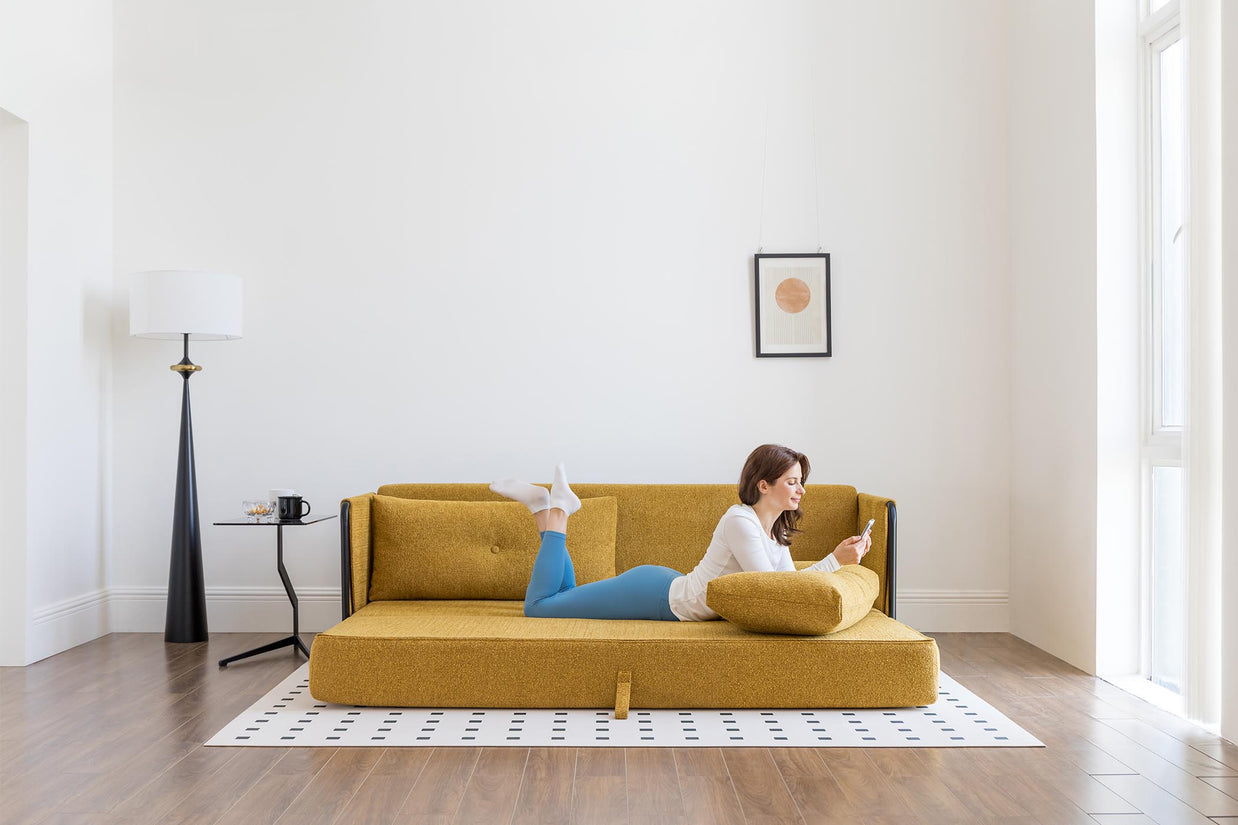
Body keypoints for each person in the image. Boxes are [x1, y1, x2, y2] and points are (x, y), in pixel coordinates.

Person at [491, 444, 872, 622]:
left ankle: (547, 510)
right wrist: (834, 562)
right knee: (539, 609)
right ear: (763, 485)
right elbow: (770, 588)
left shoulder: (772, 531)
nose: (801, 490)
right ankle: (553, 512)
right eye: (792, 481)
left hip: (668, 589)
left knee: (564, 598)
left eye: (800, 482)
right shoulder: (740, 521)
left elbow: (789, 589)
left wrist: (835, 562)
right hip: (658, 597)